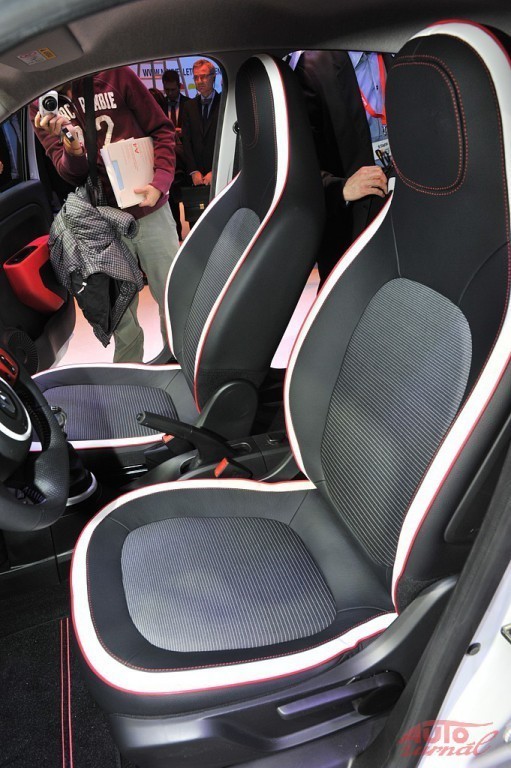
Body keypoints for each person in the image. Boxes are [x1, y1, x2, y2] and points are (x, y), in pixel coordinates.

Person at [31, 66, 179, 363]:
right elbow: (68, 173)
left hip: (149, 206)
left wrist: (160, 181)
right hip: (102, 221)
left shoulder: (116, 75)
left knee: (173, 298)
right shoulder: (42, 105)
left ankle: (183, 361)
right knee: (120, 315)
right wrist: (73, 149)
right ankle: (128, 375)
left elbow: (162, 130)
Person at [293, 50, 391, 285]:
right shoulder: (313, 68)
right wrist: (341, 188)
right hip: (351, 223)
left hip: (402, 208)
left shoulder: (396, 53)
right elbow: (300, 163)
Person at [180, 59, 220, 188]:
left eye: (203, 76)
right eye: (196, 77)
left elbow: (228, 140)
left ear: (213, 77)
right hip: (196, 176)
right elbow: (186, 141)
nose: (199, 81)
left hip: (220, 171)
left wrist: (216, 170)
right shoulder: (188, 106)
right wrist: (193, 171)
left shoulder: (224, 103)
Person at [161, 69, 190, 240]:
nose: (170, 93)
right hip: (168, 162)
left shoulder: (190, 104)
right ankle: (177, 237)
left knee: (190, 204)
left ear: (179, 86)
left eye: (173, 89)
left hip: (186, 162)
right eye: (167, 90)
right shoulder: (159, 106)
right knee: (171, 205)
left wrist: (182, 132)